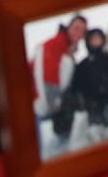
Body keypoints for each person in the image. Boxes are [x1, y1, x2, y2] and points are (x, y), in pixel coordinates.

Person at [31, 15, 87, 144]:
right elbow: (47, 77)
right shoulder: (55, 44)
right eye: (76, 28)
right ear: (68, 27)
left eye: (83, 31)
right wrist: (54, 104)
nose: (79, 33)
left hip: (49, 106)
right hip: (37, 105)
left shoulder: (68, 50)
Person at [67, 28, 108, 138]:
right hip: (91, 101)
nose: (96, 41)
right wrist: (79, 99)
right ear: (88, 42)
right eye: (93, 39)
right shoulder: (83, 64)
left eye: (98, 38)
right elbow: (76, 84)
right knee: (94, 125)